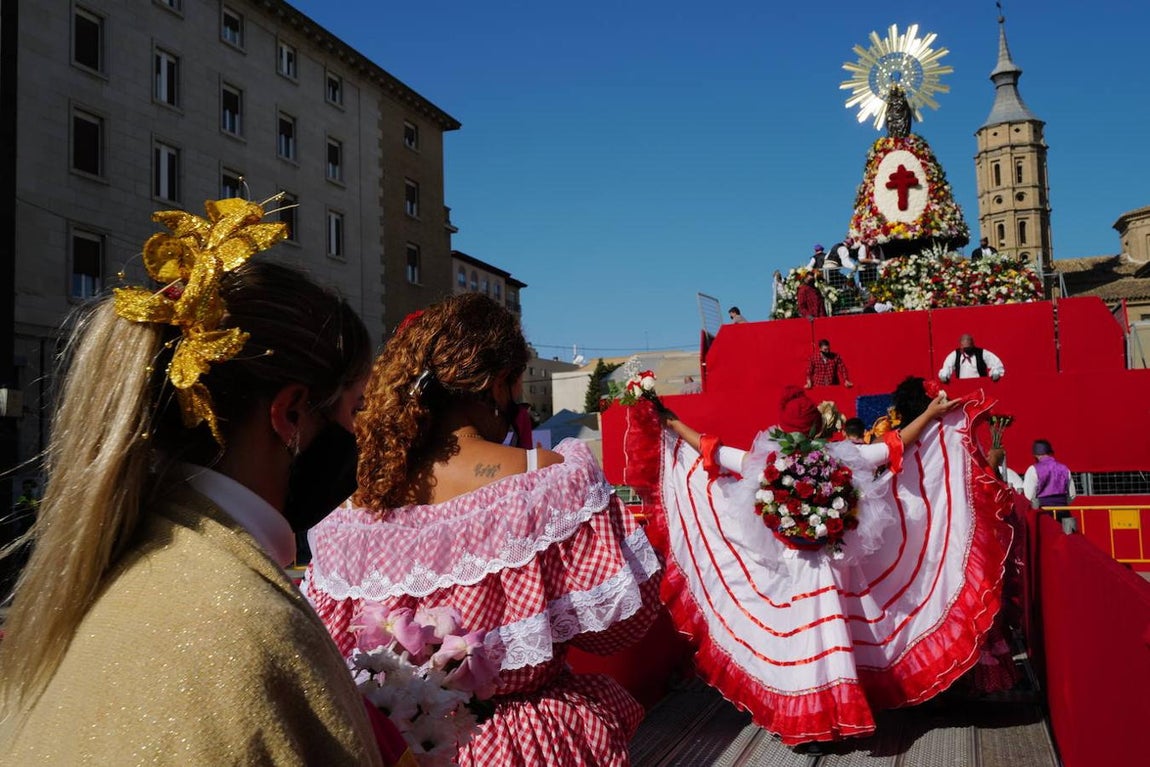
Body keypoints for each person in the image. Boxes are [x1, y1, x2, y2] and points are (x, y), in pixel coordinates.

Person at [0, 199, 386, 764]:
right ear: (292, 413)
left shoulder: (110, 569)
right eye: (358, 408)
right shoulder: (249, 625)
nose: (369, 435)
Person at [305, 294, 662, 767]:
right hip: (527, 743)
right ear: (497, 385)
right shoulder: (546, 480)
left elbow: (333, 663)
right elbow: (621, 627)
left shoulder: (351, 519)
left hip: (405, 747)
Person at [656, 379, 1012, 746]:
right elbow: (895, 443)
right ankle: (839, 715)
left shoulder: (766, 461)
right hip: (832, 563)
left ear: (783, 428)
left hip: (796, 566)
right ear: (816, 426)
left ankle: (808, 721)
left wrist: (671, 423)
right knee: (834, 634)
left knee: (804, 639)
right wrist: (932, 413)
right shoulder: (841, 457)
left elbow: (710, 450)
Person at [1023, 439, 1076, 509]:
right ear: (1050, 452)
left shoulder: (1033, 469)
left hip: (1043, 511)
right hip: (1063, 510)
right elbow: (1072, 495)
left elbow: (1028, 496)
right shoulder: (1064, 468)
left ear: (1035, 455)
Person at [938, 334, 1005, 382]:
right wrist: (944, 375)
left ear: (973, 345)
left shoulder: (981, 353)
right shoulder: (955, 355)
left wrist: (996, 372)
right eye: (965, 348)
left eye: (969, 347)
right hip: (962, 385)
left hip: (980, 385)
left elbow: (996, 364)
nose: (967, 350)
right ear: (961, 346)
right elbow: (947, 367)